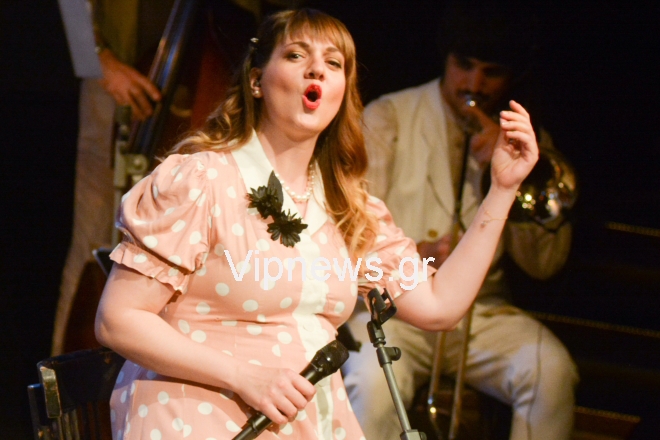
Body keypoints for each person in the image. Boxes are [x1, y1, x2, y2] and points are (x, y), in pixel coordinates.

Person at [94, 8, 540, 440]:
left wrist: (502, 190)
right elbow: (119, 319)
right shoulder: (202, 180)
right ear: (256, 80)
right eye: (295, 55)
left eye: (333, 63)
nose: (316, 70)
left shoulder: (346, 209)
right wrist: (244, 375)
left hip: (304, 422)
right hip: (194, 414)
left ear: (342, 90)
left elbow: (438, 304)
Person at [341, 2, 578, 440]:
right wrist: (415, 257)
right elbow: (351, 229)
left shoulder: (524, 140)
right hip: (394, 308)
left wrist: (511, 181)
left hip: (481, 314)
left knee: (552, 371)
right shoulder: (390, 116)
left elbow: (544, 265)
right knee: (370, 383)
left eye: (491, 73)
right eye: (464, 66)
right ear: (445, 59)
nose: (474, 84)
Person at [53, 0, 173, 355]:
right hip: (118, 79)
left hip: (204, 68)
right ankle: (70, 380)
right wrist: (98, 60)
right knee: (94, 242)